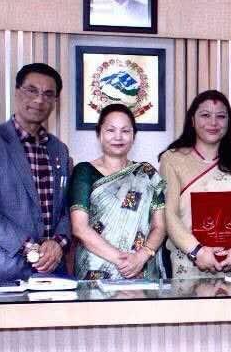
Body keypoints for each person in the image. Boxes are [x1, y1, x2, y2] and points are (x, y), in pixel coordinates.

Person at [0, 62, 73, 281]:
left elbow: (64, 210)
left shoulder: (59, 150)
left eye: (48, 94)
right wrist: (29, 247)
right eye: (32, 90)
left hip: (51, 279)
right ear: (17, 92)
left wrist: (58, 243)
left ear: (55, 101)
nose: (39, 100)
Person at [159, 90, 231, 277]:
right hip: (189, 261)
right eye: (205, 115)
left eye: (221, 116)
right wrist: (197, 251)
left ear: (229, 121)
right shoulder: (172, 159)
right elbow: (169, 213)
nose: (213, 122)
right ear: (192, 120)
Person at [69, 105, 167, 281]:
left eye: (125, 131)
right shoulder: (84, 171)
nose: (118, 137)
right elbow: (79, 227)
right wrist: (123, 262)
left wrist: (141, 257)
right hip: (95, 270)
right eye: (110, 130)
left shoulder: (147, 174)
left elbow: (160, 226)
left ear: (134, 136)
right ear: (99, 134)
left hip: (140, 269)